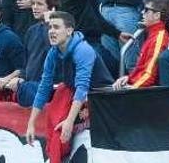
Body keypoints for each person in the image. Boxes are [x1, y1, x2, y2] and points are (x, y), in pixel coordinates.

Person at [25, 11, 113, 146]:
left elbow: (82, 88)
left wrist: (69, 121)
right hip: (78, 96)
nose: (51, 31)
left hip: (101, 98)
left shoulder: (83, 50)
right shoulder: (53, 52)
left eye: (56, 27)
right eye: (50, 27)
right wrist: (31, 123)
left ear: (69, 30)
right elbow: (44, 87)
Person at [112, 0, 169, 89]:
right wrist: (129, 78)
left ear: (157, 15)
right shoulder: (152, 35)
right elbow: (143, 69)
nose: (142, 12)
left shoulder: (159, 38)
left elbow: (149, 74)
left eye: (146, 10)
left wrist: (132, 87)